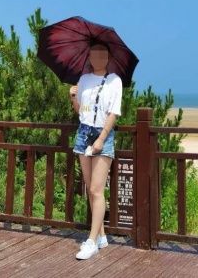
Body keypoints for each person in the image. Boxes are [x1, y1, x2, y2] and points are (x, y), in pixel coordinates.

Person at [69, 41, 122, 260]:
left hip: (102, 135)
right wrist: (73, 97)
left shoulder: (114, 80)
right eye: (94, 55)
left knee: (96, 190)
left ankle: (91, 241)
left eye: (102, 55)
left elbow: (113, 113)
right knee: (90, 189)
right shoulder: (83, 79)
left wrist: (101, 139)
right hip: (83, 133)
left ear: (108, 58)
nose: (98, 58)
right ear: (90, 57)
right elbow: (81, 111)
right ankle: (101, 236)